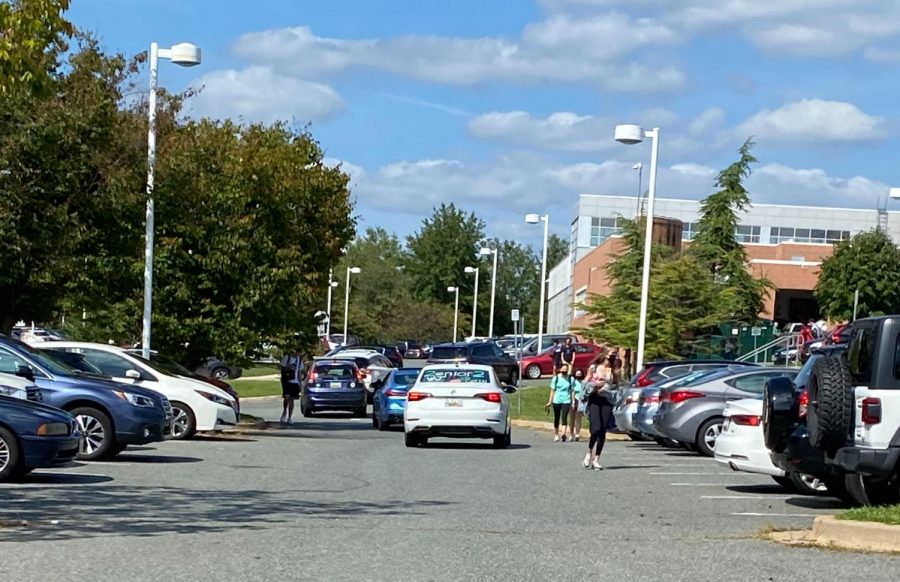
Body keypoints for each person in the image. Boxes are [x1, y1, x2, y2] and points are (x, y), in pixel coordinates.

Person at [582, 355, 615, 470]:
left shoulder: (613, 369)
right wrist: (591, 379)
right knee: (596, 428)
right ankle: (589, 453)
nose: (611, 358)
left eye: (613, 356)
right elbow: (585, 383)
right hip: (594, 399)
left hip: (606, 400)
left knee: (602, 430)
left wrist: (605, 383)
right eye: (609, 356)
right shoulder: (594, 367)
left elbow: (614, 384)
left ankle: (596, 459)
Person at [545, 364, 574, 442]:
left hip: (566, 400)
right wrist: (549, 401)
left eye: (566, 370)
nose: (565, 371)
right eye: (563, 369)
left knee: (564, 416)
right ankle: (556, 434)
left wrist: (573, 401)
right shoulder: (556, 378)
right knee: (557, 417)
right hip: (557, 400)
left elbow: (572, 391)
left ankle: (563, 434)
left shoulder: (570, 379)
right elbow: (552, 390)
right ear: (560, 369)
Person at [280, 350, 304, 424]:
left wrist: (300, 384)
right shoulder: (287, 358)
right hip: (287, 380)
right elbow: (282, 368)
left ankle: (290, 417)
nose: (298, 353)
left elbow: (299, 373)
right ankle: (284, 411)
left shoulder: (299, 360)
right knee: (287, 397)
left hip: (295, 381)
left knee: (292, 399)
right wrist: (289, 367)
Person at [568, 368, 586, 442]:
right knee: (572, 418)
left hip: (581, 400)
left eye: (580, 374)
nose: (578, 375)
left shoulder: (583, 382)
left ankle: (577, 434)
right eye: (577, 374)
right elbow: (573, 392)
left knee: (578, 418)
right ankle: (571, 434)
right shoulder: (573, 382)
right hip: (574, 400)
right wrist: (573, 402)